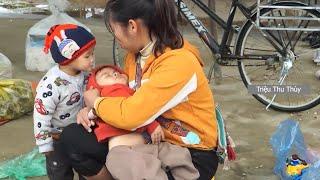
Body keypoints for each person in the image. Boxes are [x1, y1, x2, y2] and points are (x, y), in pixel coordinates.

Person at [60, 0, 219, 179]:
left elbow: (131, 115)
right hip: (148, 135)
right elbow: (122, 95)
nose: (115, 37)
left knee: (117, 154)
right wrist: (89, 110)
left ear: (132, 26)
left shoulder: (179, 62)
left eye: (114, 30)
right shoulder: (136, 55)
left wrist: (96, 103)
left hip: (189, 152)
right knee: (74, 137)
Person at [87, 65, 200, 179]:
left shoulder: (131, 91)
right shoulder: (110, 92)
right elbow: (133, 113)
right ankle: (188, 175)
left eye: (115, 71)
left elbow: (140, 108)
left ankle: (186, 173)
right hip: (125, 149)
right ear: (97, 88)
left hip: (146, 144)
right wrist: (152, 125)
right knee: (144, 167)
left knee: (174, 155)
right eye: (106, 75)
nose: (114, 74)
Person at [33, 24, 98, 180]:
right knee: (60, 173)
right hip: (57, 140)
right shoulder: (51, 84)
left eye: (92, 54)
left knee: (87, 170)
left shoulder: (84, 75)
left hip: (80, 134)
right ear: (68, 57)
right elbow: (41, 115)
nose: (92, 59)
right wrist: (44, 143)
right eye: (87, 56)